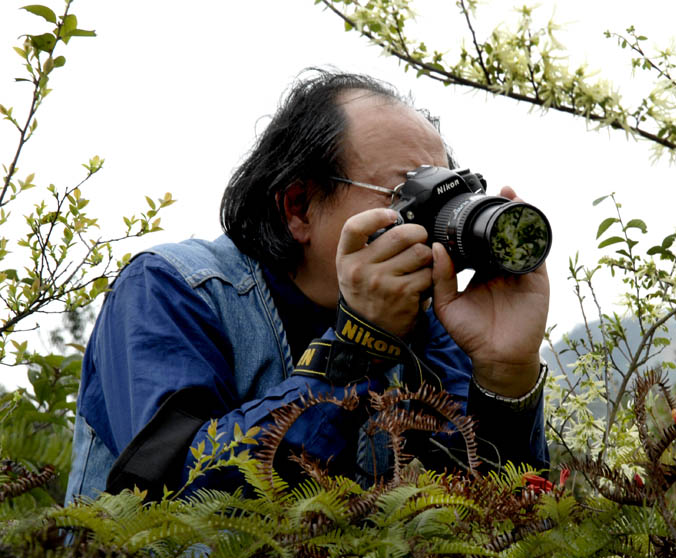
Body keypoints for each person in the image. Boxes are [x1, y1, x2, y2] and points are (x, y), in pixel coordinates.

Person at [65, 69, 550, 502]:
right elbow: (176, 494)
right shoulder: (171, 288)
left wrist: (506, 375)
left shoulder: (426, 324)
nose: (434, 224)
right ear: (299, 206)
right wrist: (357, 348)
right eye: (408, 195)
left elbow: (495, 518)